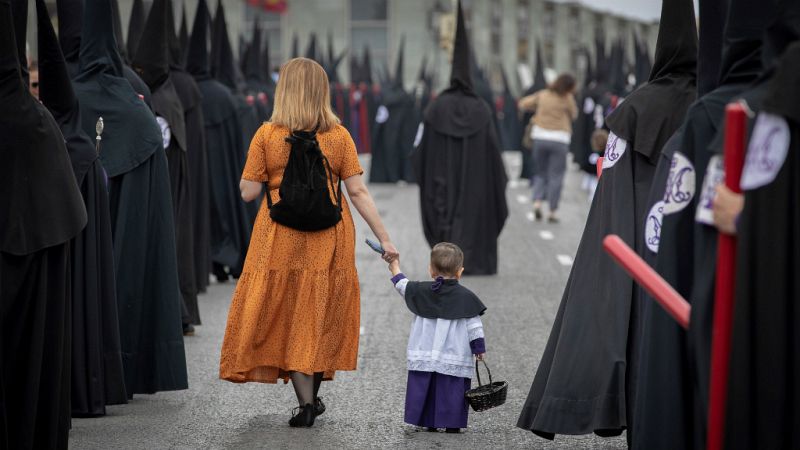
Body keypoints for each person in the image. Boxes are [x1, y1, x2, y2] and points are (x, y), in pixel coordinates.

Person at [219, 57, 399, 428]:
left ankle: (306, 404)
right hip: (329, 234)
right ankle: (310, 398)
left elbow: (249, 193)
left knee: (287, 310)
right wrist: (385, 240)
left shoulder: (267, 134)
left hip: (278, 234)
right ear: (323, 91)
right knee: (317, 309)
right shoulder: (339, 136)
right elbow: (358, 192)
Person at [412, 0, 508, 276]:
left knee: (443, 211)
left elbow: (420, 152)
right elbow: (494, 153)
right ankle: (473, 261)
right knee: (476, 209)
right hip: (476, 185)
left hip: (441, 182)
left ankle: (444, 263)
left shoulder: (436, 107)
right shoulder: (481, 108)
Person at [387, 243, 487, 433]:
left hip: (424, 353)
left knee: (426, 387)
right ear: (460, 272)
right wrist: (478, 348)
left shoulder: (420, 291)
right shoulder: (466, 298)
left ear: (431, 270)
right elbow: (474, 326)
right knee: (452, 390)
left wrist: (394, 265)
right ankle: (452, 423)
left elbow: (401, 284)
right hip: (453, 355)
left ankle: (427, 420)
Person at [518, 73, 578, 223]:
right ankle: (552, 211)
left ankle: (537, 202)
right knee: (556, 176)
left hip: (540, 138)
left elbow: (523, 103)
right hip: (559, 140)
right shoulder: (567, 98)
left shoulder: (543, 95)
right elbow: (574, 114)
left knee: (540, 172)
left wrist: (538, 110)